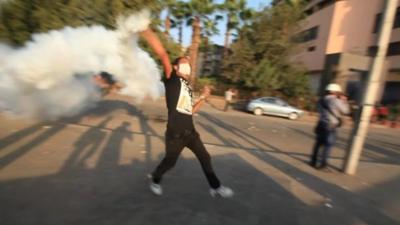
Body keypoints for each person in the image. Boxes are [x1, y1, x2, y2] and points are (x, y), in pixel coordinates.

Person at [139, 29, 233, 197]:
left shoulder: (187, 88)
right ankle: (155, 179)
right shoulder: (172, 79)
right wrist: (147, 32)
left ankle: (216, 187)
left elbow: (190, 111)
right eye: (183, 62)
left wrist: (203, 97)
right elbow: (163, 55)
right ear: (176, 67)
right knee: (170, 162)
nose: (187, 65)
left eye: (188, 64)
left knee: (205, 157)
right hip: (175, 134)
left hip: (191, 133)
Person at [310, 83, 349, 170]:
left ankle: (313, 161)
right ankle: (323, 164)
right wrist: (344, 101)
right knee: (328, 145)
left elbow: (318, 110)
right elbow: (346, 111)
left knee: (318, 144)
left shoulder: (321, 100)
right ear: (335, 92)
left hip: (321, 123)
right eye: (338, 92)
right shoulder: (335, 100)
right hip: (331, 125)